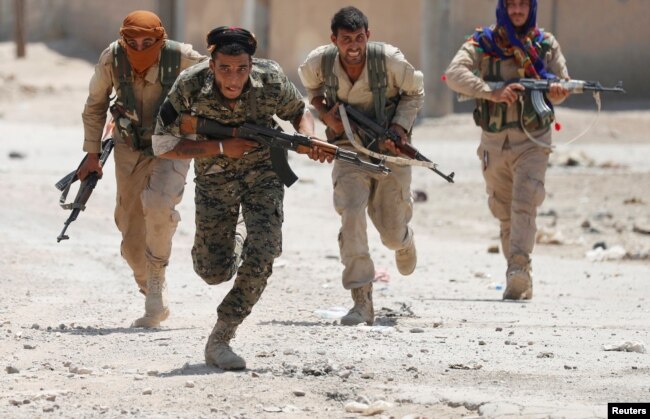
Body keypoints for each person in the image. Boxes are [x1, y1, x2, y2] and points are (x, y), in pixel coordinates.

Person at [152, 26, 326, 370]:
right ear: (211, 63)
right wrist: (220, 146)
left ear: (252, 63)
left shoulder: (271, 78)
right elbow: (162, 144)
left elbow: (299, 110)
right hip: (215, 179)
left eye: (242, 69)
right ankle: (240, 235)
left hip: (265, 175)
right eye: (225, 69)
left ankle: (221, 337)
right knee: (212, 272)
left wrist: (308, 136)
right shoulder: (189, 83)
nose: (234, 79)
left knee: (265, 251)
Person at [78, 10, 206, 328]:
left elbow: (221, 78)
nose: (139, 48)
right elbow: (94, 105)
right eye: (131, 41)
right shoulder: (113, 58)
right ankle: (151, 286)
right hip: (129, 148)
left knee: (160, 205)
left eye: (147, 41)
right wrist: (92, 154)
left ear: (160, 39)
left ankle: (156, 291)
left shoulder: (180, 57)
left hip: (172, 146)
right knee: (131, 236)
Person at [298, 6, 424, 326]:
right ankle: (361, 300)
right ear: (334, 40)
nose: (353, 46)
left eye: (358, 38)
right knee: (351, 213)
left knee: (391, 234)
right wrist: (326, 114)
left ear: (368, 36)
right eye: (345, 40)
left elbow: (414, 92)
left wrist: (399, 129)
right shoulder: (319, 63)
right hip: (347, 149)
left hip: (388, 151)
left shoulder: (390, 61)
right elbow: (311, 91)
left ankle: (405, 241)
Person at [445, 0, 569, 300]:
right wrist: (492, 92)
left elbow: (563, 83)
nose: (516, 11)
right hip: (494, 140)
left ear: (531, 8)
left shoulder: (545, 44)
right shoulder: (483, 43)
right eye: (511, 4)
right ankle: (518, 275)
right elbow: (454, 74)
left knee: (525, 200)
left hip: (533, 140)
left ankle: (518, 270)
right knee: (504, 212)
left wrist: (557, 90)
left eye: (522, 5)